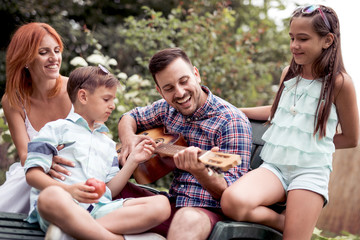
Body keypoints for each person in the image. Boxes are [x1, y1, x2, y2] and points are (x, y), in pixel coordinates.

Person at [220, 5, 359, 240]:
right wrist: (235, 110)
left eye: (303, 39)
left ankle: (296, 228)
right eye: (292, 38)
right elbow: (277, 113)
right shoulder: (289, 73)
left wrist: (310, 144)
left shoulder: (339, 83)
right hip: (275, 165)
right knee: (232, 202)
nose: (294, 45)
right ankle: (285, 222)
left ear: (327, 40)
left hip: (310, 171)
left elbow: (351, 138)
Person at [117, 47, 252, 240]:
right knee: (103, 188)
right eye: (169, 88)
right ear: (160, 91)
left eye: (184, 81)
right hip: (170, 205)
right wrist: (129, 139)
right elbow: (129, 117)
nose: (179, 93)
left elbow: (231, 194)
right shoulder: (166, 108)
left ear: (196, 74)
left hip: (207, 213)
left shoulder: (231, 121)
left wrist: (200, 171)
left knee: (187, 217)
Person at [24, 66, 170, 240]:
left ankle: (73, 232)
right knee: (49, 196)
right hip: (63, 205)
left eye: (113, 99)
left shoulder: (107, 144)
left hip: (101, 210)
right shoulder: (55, 129)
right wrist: (69, 190)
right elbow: (32, 175)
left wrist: (133, 161)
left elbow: (109, 190)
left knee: (161, 205)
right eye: (106, 99)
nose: (113, 105)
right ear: (83, 96)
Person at [0, 22, 74, 214]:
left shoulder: (77, 89)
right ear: (25, 59)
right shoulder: (13, 100)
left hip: (74, 172)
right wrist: (45, 162)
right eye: (43, 53)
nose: (54, 58)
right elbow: (26, 155)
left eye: (57, 50)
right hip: (34, 173)